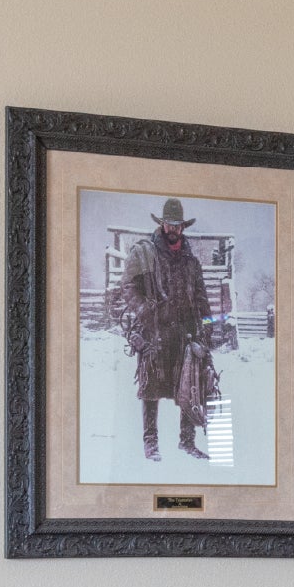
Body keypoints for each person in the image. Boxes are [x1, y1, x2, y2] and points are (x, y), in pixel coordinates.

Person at [116, 198, 215, 462]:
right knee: (151, 387)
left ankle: (187, 441)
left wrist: (207, 330)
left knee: (190, 384)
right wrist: (143, 311)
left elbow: (203, 300)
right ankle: (151, 443)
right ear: (162, 224)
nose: (173, 229)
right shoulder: (145, 253)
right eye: (169, 224)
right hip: (155, 331)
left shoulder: (191, 263)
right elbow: (127, 287)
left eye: (178, 225)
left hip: (186, 333)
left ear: (183, 227)